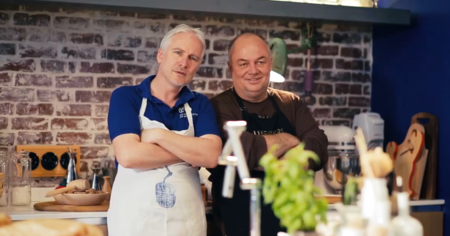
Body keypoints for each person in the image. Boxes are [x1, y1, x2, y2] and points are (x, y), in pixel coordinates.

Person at [107, 24, 222, 236]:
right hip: (135, 224)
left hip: (187, 225)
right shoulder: (126, 97)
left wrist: (158, 136)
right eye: (178, 52)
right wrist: (189, 154)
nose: (183, 63)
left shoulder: (200, 104)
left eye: (193, 58)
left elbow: (211, 156)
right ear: (161, 55)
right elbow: (129, 155)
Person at [209, 33, 329, 236]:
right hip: (237, 224)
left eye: (260, 61)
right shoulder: (218, 107)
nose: (253, 70)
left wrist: (272, 153)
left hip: (290, 222)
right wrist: (289, 140)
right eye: (243, 63)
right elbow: (243, 150)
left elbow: (318, 145)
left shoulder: (291, 103)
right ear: (231, 68)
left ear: (270, 63)